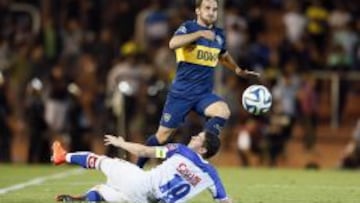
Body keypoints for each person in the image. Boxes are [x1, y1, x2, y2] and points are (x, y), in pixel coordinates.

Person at [137, 0, 259, 168]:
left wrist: (237, 69)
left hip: (204, 94)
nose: (211, 12)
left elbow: (223, 55)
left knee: (223, 111)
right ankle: (137, 167)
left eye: (214, 9)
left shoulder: (219, 34)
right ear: (198, 11)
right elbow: (172, 43)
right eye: (207, 8)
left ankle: (195, 152)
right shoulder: (188, 27)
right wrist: (199, 34)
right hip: (181, 94)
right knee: (162, 137)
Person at [52, 131, 232, 203]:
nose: (193, 137)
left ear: (203, 148)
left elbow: (144, 151)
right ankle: (87, 199)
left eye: (198, 137)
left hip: (140, 183)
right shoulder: (211, 175)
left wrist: (121, 144)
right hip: (144, 201)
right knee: (102, 191)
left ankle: (62, 156)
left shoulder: (181, 150)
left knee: (103, 162)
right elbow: (224, 201)